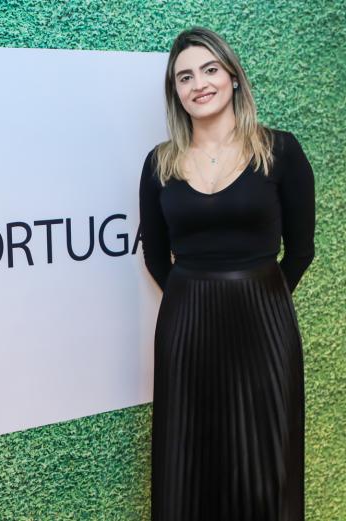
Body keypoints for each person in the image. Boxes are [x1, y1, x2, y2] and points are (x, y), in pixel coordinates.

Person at [138, 27, 315, 521]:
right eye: (185, 77)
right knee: (188, 458)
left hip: (264, 324)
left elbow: (301, 251)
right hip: (186, 327)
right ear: (175, 92)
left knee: (266, 459)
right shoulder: (159, 164)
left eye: (210, 70)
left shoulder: (281, 152)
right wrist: (192, 298)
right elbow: (155, 256)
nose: (199, 84)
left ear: (233, 76)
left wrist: (262, 297)